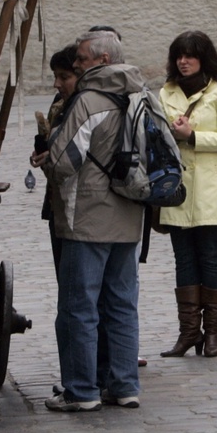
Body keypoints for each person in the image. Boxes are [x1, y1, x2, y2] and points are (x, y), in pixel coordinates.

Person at [45, 30, 144, 412]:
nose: (77, 65)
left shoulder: (89, 101)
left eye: (82, 59)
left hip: (87, 215)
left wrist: (50, 152)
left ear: (102, 60)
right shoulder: (140, 94)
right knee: (121, 305)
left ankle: (82, 390)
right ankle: (124, 385)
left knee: (78, 306)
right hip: (129, 211)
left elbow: (63, 161)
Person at [158, 31, 217, 359]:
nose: (184, 61)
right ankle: (189, 331)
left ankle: (213, 334)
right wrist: (171, 134)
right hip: (176, 189)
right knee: (184, 260)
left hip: (210, 188)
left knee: (210, 257)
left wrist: (193, 136)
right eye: (179, 55)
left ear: (204, 58)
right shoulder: (167, 92)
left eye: (190, 56)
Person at [31, 44, 79, 277]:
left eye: (64, 77)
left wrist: (56, 156)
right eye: (55, 76)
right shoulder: (58, 104)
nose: (57, 84)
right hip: (57, 203)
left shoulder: (89, 107)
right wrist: (43, 152)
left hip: (81, 208)